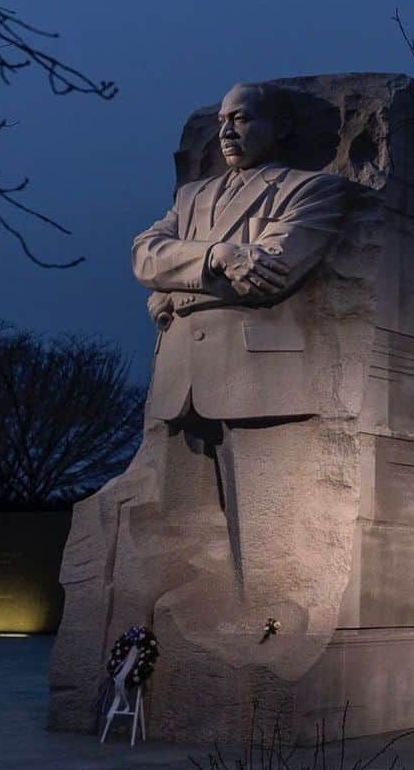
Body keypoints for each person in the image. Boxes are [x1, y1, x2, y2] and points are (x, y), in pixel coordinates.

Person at [132, 82, 349, 604]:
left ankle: (270, 629)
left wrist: (175, 290)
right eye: (224, 120)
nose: (227, 131)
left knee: (271, 543)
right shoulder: (191, 196)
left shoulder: (312, 190)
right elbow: (143, 257)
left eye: (244, 119)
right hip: (179, 379)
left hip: (255, 378)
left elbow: (269, 275)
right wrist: (219, 256)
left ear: (281, 127)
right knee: (177, 542)